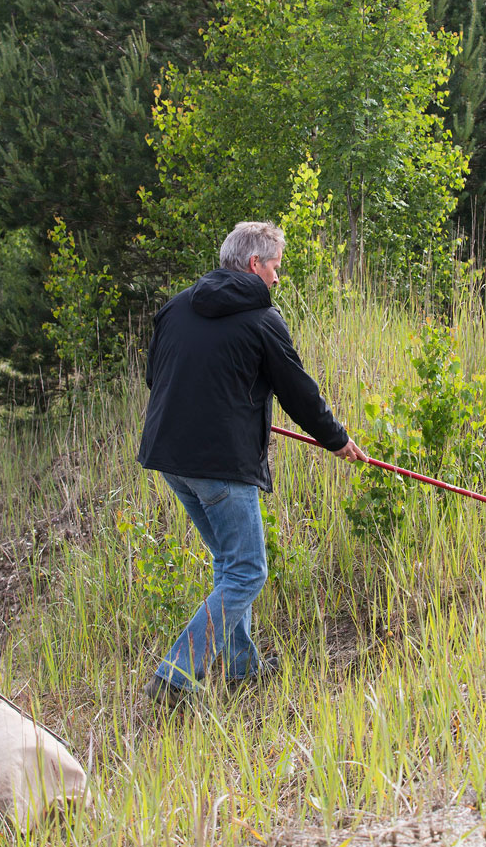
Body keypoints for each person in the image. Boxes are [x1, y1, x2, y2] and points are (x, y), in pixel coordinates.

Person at [138, 220, 368, 704]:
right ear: (253, 264)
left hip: (169, 457)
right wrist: (338, 440)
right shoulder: (263, 319)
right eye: (276, 268)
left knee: (229, 561)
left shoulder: (176, 307)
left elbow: (153, 377)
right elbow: (299, 393)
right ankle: (176, 675)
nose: (278, 279)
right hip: (220, 465)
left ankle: (243, 669)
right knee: (249, 570)